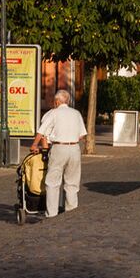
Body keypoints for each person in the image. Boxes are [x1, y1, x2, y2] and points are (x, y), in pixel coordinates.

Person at [32, 88, 87, 217]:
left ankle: (52, 213)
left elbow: (42, 131)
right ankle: (71, 211)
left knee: (53, 182)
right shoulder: (76, 113)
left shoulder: (54, 113)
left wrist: (34, 144)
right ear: (67, 101)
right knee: (72, 182)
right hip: (74, 148)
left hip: (59, 148)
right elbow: (82, 135)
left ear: (57, 101)